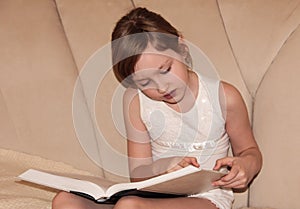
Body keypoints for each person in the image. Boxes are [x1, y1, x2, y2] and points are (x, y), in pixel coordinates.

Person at [52, 7, 262, 209]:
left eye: (165, 70)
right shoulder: (136, 102)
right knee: (65, 201)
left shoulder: (224, 97)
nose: (161, 87)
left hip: (206, 198)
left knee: (130, 206)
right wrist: (164, 166)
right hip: (154, 196)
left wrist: (245, 167)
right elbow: (138, 174)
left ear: (181, 46)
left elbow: (249, 151)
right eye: (144, 83)